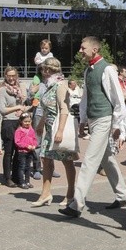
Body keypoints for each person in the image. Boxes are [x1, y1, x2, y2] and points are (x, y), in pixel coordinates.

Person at [59, 38, 126, 217]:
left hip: (104, 119)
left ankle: (77, 204)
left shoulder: (106, 69)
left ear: (95, 49)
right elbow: (85, 98)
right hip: (93, 120)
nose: (80, 51)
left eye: (83, 48)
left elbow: (118, 100)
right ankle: (122, 195)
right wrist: (83, 120)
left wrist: (117, 125)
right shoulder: (87, 71)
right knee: (106, 158)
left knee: (90, 160)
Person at [33, 57, 78, 207]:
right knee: (45, 159)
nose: (44, 72)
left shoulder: (60, 85)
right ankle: (45, 194)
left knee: (67, 160)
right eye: (44, 69)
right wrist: (40, 123)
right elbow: (47, 108)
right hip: (49, 129)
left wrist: (60, 130)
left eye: (47, 69)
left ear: (53, 70)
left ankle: (71, 194)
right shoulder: (48, 86)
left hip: (59, 128)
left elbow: (64, 109)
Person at [0, 66, 30, 188]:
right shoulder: (3, 90)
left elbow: (25, 105)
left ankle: (17, 176)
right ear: (5, 76)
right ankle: (7, 177)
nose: (11, 78)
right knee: (9, 152)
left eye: (13, 75)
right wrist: (17, 108)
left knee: (19, 151)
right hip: (9, 123)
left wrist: (23, 110)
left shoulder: (20, 89)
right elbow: (1, 109)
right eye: (9, 76)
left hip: (19, 122)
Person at [14, 113, 37, 189]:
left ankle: (27, 181)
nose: (27, 123)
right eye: (25, 121)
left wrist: (34, 145)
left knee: (28, 167)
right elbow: (18, 142)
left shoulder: (31, 130)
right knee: (22, 167)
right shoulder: (19, 131)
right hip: (22, 152)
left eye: (29, 121)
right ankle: (21, 182)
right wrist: (27, 146)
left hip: (30, 151)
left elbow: (34, 139)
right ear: (21, 122)